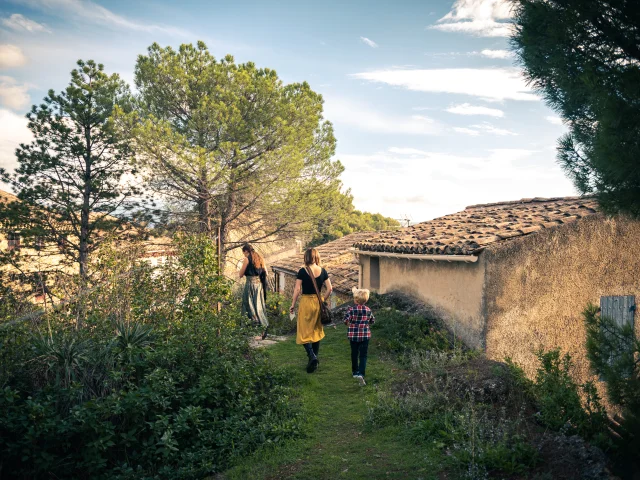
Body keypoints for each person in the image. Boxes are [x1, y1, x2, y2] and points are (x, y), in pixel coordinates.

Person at [289, 247, 332, 373]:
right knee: (316, 330)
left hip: (306, 302)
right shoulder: (323, 271)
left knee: (303, 330)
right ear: (316, 257)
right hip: (318, 303)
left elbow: (297, 289)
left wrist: (292, 304)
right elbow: (330, 288)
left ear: (306, 257)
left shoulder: (302, 271)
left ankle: (312, 356)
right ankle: (314, 361)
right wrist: (323, 299)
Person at [343, 287, 375, 386]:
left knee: (354, 353)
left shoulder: (351, 310)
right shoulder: (368, 310)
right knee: (363, 355)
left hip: (354, 336)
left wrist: (349, 324)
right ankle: (361, 373)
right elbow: (372, 321)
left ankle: (355, 372)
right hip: (365, 336)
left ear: (356, 300)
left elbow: (345, 320)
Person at [238, 243, 269, 339]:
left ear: (246, 251)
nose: (244, 255)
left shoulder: (247, 259)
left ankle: (247, 330)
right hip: (259, 286)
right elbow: (266, 272)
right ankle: (262, 329)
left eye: (244, 253)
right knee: (259, 306)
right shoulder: (260, 258)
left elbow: (240, 274)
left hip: (250, 285)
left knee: (248, 306)